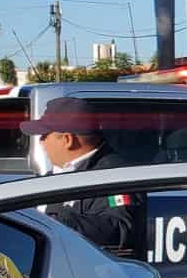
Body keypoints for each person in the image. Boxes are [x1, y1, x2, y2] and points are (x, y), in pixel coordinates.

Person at [19, 97, 144, 253]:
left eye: (45, 135)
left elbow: (120, 229)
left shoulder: (115, 176)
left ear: (67, 140)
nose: (41, 142)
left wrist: (55, 220)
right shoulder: (56, 174)